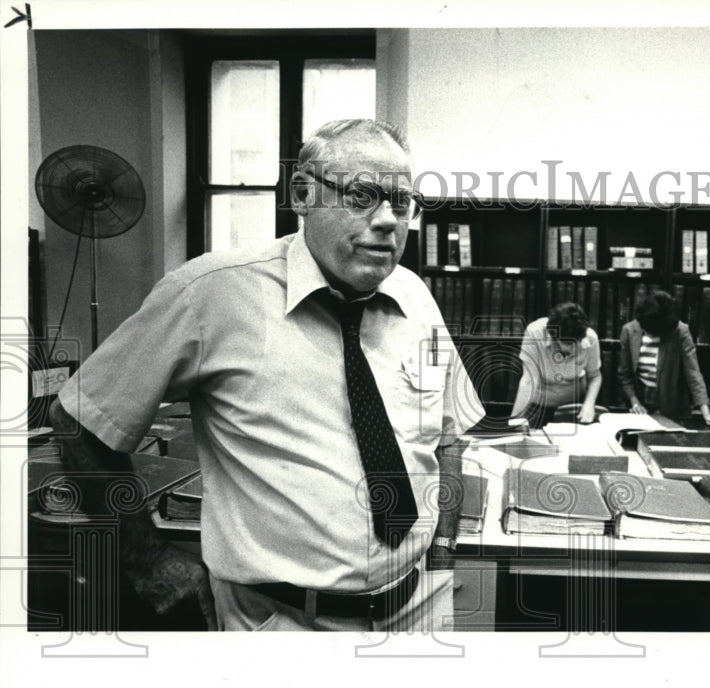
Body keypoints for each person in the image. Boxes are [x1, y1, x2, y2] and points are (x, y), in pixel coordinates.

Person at [48, 119, 485, 632]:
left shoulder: (415, 296)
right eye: (363, 195)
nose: (388, 220)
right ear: (302, 194)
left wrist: (444, 553)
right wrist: (144, 560)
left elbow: (450, 436)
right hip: (283, 623)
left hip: (417, 611)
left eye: (402, 201)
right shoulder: (210, 294)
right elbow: (78, 417)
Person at [617, 290, 710, 431]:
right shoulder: (628, 330)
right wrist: (634, 402)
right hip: (641, 405)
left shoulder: (680, 331)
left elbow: (693, 373)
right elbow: (624, 374)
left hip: (674, 406)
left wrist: (706, 414)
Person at [509, 301, 603, 429]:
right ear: (554, 338)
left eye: (576, 342)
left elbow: (595, 376)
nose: (573, 349)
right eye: (568, 344)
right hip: (538, 403)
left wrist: (589, 404)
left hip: (572, 405)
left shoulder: (591, 338)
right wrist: (515, 419)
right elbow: (529, 381)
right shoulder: (535, 332)